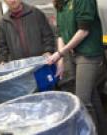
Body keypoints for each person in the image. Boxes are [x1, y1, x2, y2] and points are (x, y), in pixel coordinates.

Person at [48, 0, 107, 134]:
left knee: (83, 102)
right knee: (92, 97)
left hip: (89, 54)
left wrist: (60, 53)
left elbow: (84, 31)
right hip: (75, 54)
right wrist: (61, 60)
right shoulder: (60, 4)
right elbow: (60, 34)